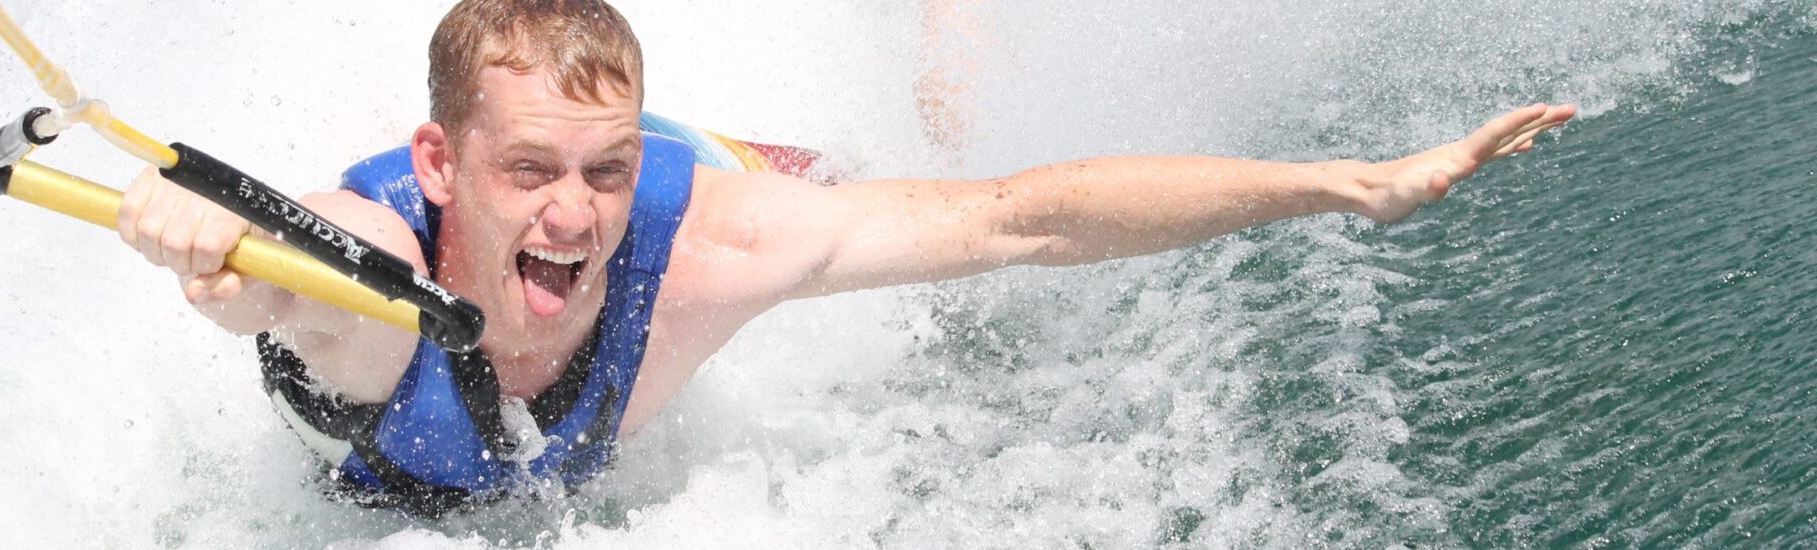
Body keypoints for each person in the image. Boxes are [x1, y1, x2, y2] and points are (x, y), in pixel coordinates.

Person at [117, 0, 1573, 513]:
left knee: (902, 181)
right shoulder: (388, 270)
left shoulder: (698, 243)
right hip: (385, 395)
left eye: (603, 174)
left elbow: (1024, 217)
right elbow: (286, 269)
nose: (573, 215)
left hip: (729, 173)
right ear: (444, 169)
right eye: (529, 175)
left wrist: (1350, 183)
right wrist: (216, 252)